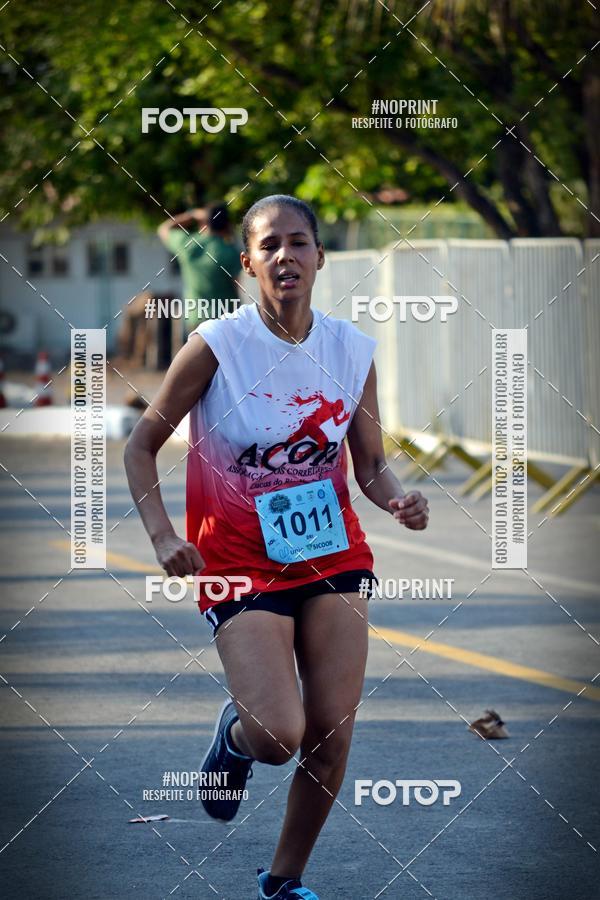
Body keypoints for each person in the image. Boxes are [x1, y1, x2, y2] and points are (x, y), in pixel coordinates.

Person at [124, 194, 429, 900]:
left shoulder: (351, 351)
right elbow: (142, 447)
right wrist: (165, 535)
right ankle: (236, 737)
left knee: (331, 736)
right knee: (278, 735)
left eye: (299, 242)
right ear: (249, 261)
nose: (286, 256)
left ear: (320, 256)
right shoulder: (217, 346)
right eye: (270, 246)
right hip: (237, 560)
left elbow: (371, 463)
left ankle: (284, 881)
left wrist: (396, 498)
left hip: (333, 554)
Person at [157, 202, 241, 330]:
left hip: (196, 318)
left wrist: (191, 215)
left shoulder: (187, 245)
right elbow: (239, 286)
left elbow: (164, 229)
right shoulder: (231, 252)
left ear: (204, 222)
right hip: (226, 319)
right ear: (227, 225)